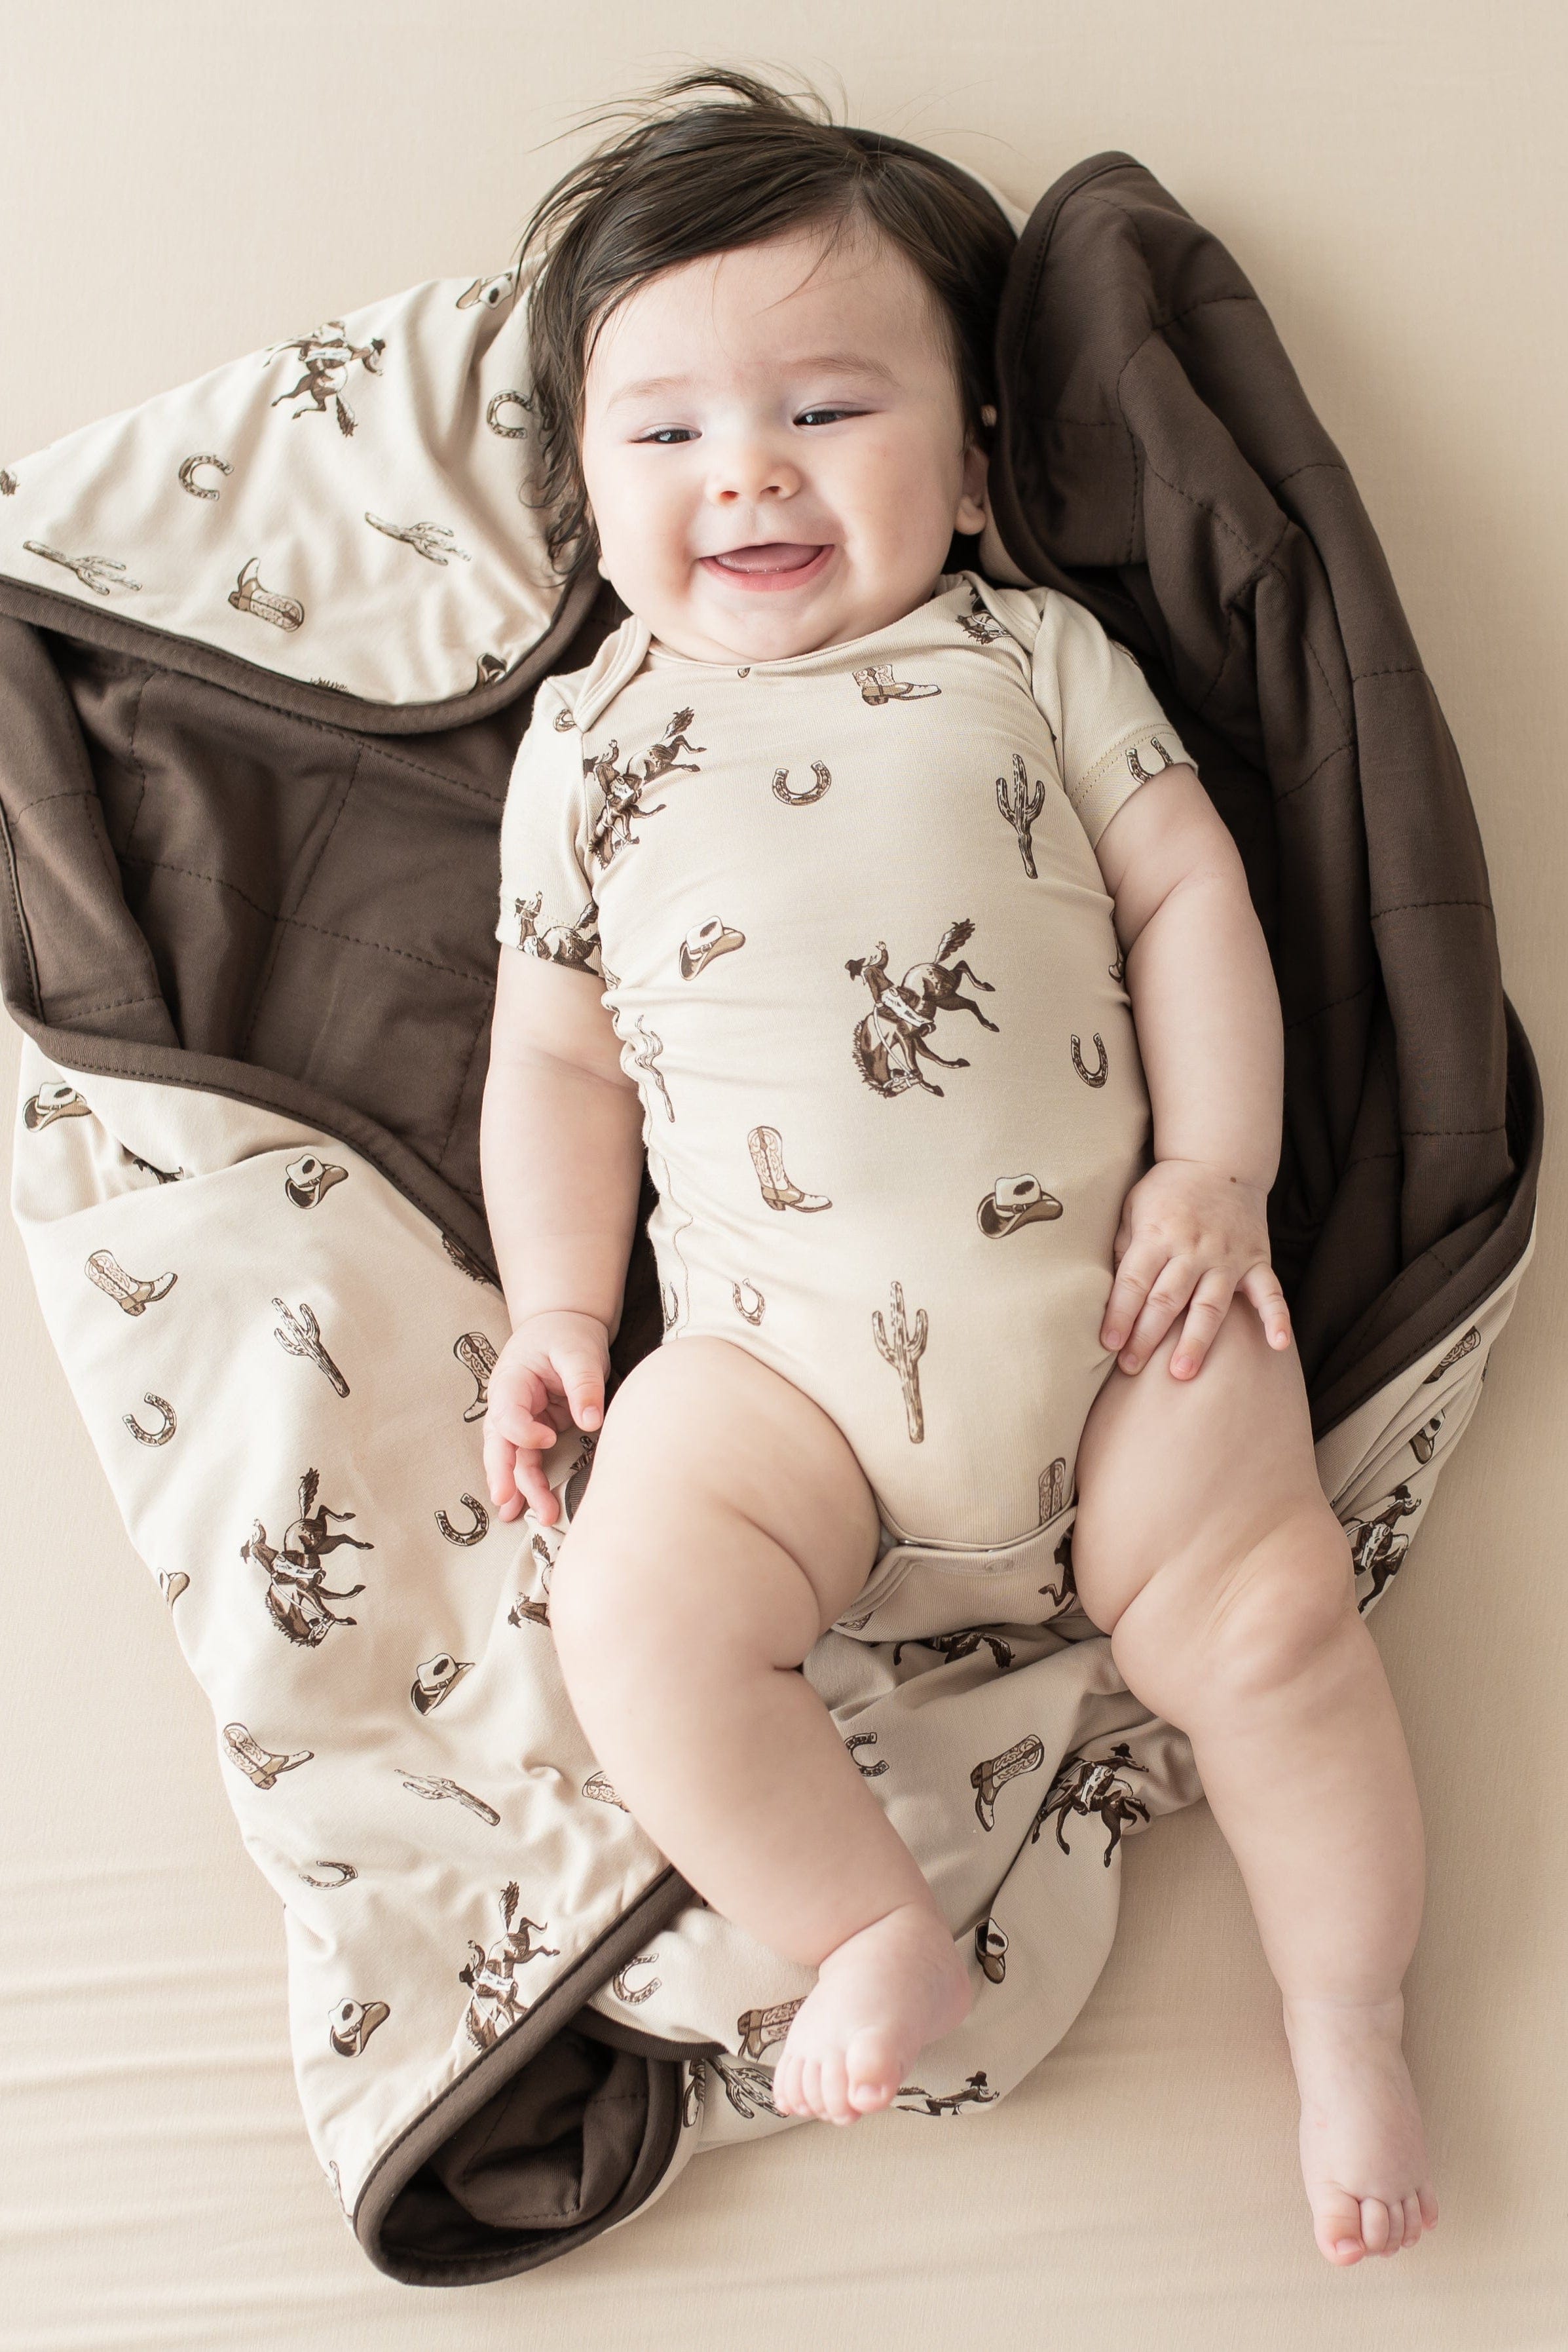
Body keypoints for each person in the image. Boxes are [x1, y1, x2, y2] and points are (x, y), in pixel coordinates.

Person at [477, 67, 1438, 2267]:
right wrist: (556, 1308)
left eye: (826, 409)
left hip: (1115, 1326)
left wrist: (1214, 1172)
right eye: (665, 433)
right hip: (777, 1384)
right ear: (584, 502)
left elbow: (1190, 900)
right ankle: (866, 1925)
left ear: (979, 466)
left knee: (1277, 1626)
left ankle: (1347, 2011)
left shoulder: (1028, 657)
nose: (747, 470)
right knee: (630, 1602)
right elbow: (551, 1054)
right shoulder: (591, 741)